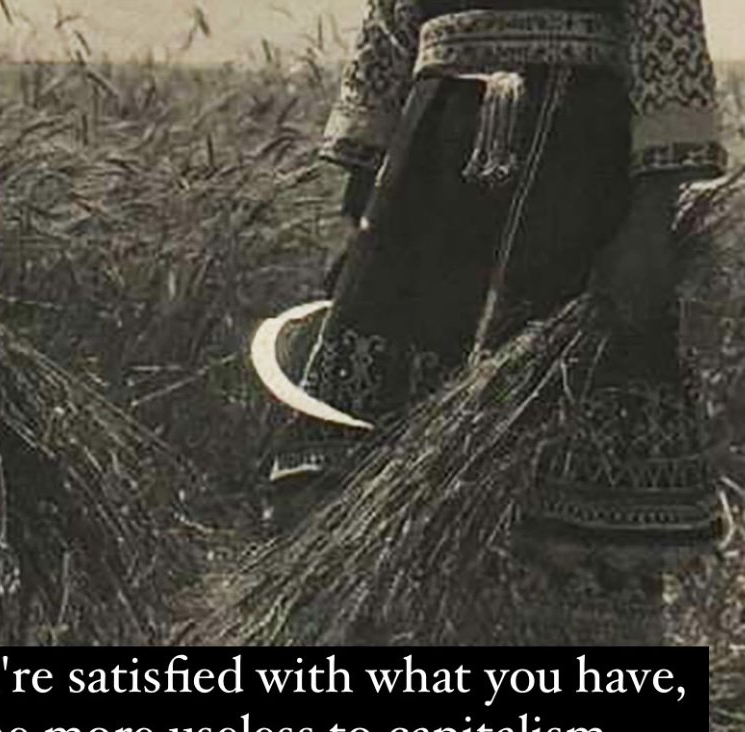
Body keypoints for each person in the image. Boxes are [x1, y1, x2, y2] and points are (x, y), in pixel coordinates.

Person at [258, 0, 727, 644]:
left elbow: (665, 23)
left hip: (579, 169)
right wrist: (359, 211)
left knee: (566, 425)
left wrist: (648, 224)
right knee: (363, 451)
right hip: (429, 170)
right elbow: (390, 25)